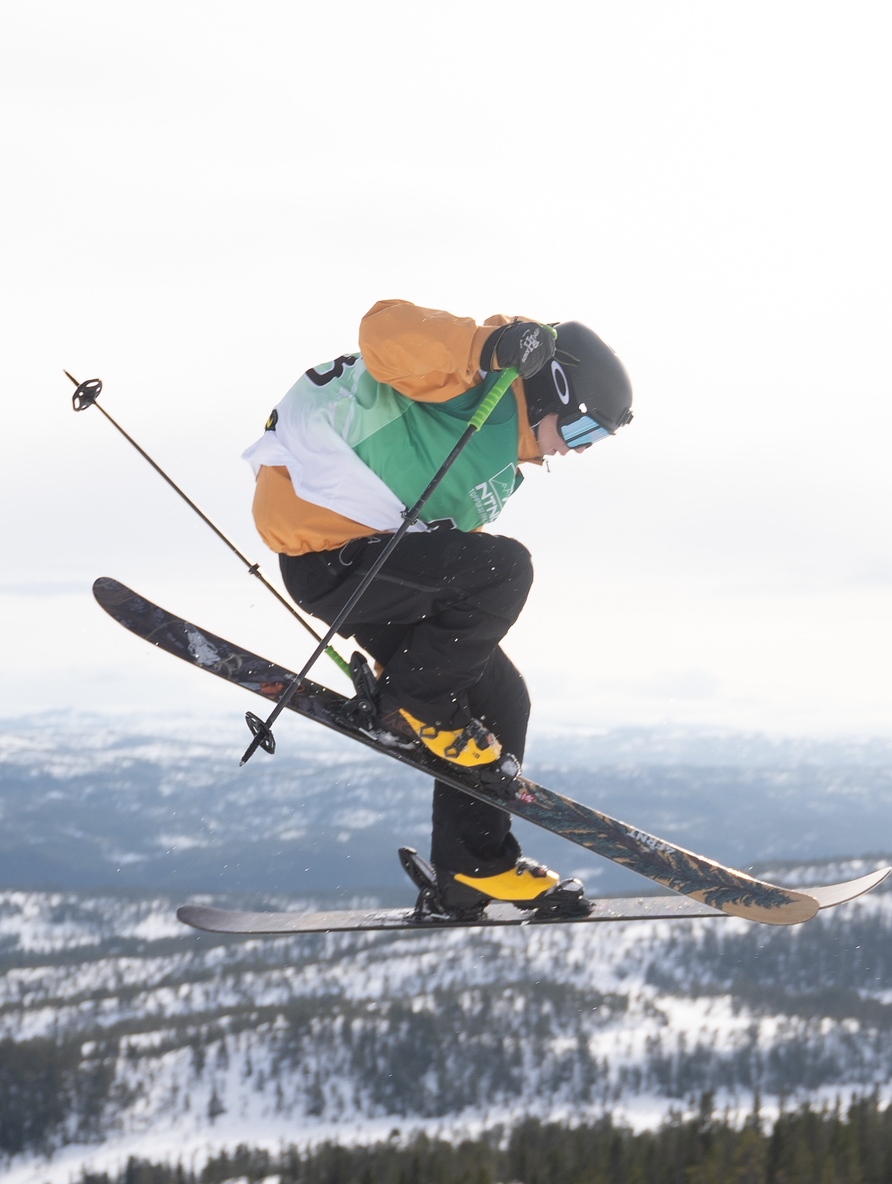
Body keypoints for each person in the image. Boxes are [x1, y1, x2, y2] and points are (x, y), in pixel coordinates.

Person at [242, 299, 634, 914]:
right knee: (506, 570)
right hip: (331, 551)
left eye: (597, 441)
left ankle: (471, 871)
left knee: (501, 697)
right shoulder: (473, 381)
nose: (580, 450)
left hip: (380, 566)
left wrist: (423, 666)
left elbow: (445, 564)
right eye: (584, 431)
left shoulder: (502, 460)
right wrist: (489, 349)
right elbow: (381, 332)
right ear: (552, 391)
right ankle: (417, 705)